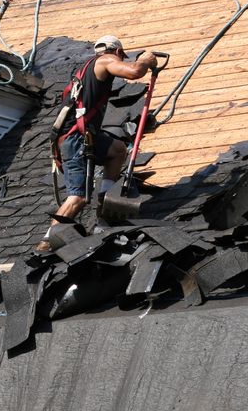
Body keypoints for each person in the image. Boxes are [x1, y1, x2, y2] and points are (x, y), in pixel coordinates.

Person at [36, 35, 159, 253]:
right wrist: (145, 60)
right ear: (117, 52)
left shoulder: (89, 70)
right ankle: (46, 242)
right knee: (79, 197)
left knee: (117, 150)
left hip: (85, 137)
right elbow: (134, 72)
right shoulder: (104, 61)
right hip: (76, 139)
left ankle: (105, 208)